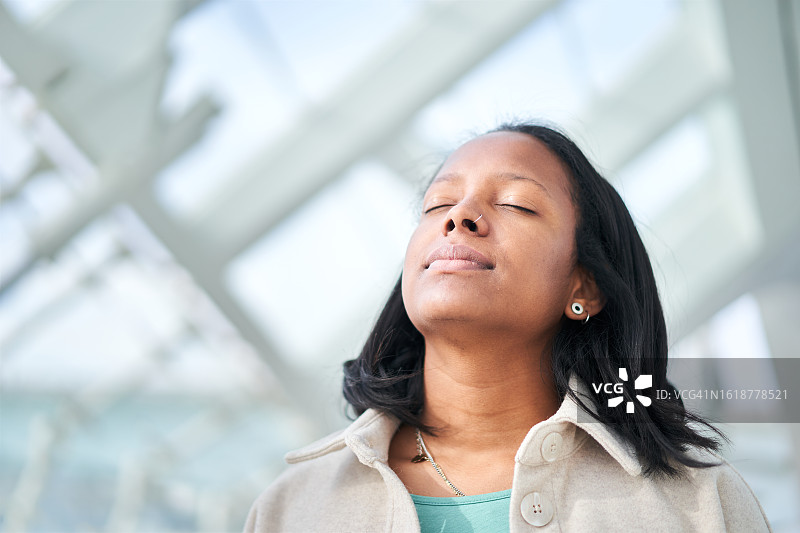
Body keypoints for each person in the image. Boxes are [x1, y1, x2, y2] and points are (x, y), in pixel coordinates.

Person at [244, 123, 772, 532]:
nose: (459, 217)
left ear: (582, 289)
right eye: (438, 204)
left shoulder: (701, 506)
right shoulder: (293, 507)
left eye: (516, 203)